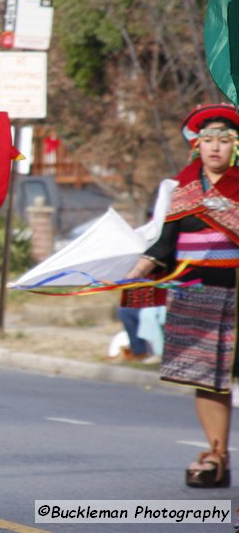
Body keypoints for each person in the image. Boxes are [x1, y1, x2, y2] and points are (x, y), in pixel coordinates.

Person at [124, 103, 239, 489]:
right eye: (208, 140)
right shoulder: (181, 192)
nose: (215, 147)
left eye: (224, 140)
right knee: (207, 380)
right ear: (197, 146)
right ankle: (217, 454)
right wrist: (132, 275)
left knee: (224, 377)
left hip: (234, 293)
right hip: (194, 296)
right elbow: (161, 246)